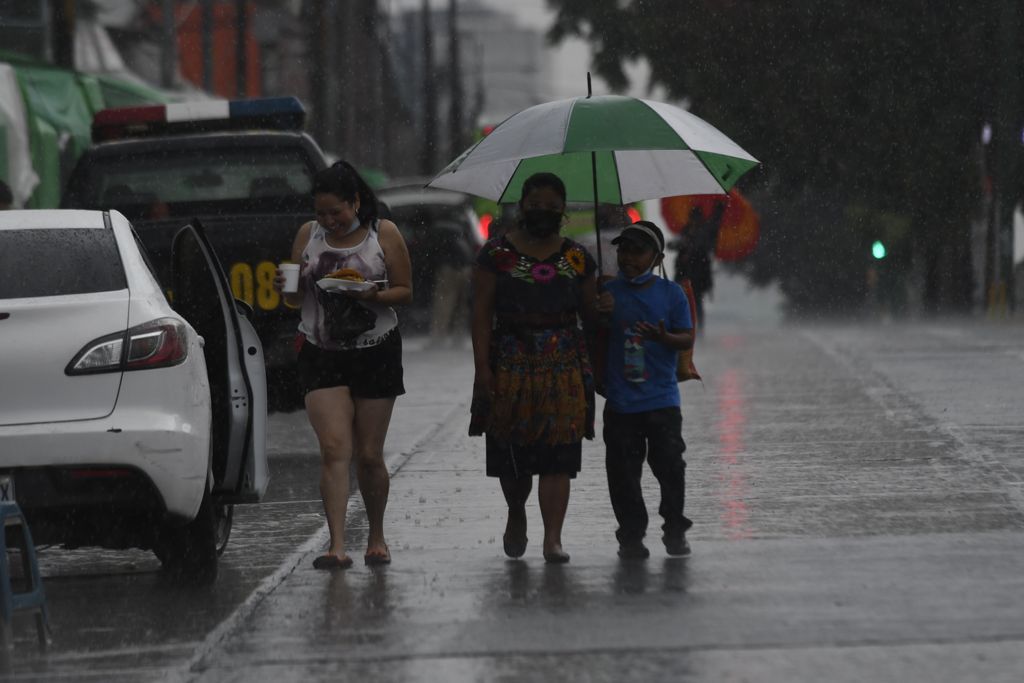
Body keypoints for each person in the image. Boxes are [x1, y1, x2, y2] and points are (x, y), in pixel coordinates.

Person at [273, 161, 413, 570]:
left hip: (376, 349)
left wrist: (371, 294)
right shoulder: (307, 235)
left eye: (336, 212)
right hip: (321, 350)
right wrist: (289, 289)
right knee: (335, 449)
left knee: (368, 455)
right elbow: (294, 302)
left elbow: (405, 291)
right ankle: (336, 545)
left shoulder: (382, 233)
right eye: (321, 213)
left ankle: (376, 536)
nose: (328, 221)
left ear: (355, 201)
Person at [470, 172, 600, 564]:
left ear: (563, 211)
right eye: (535, 204)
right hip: (510, 359)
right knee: (514, 452)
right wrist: (482, 369)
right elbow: (480, 314)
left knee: (559, 453)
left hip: (564, 365)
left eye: (551, 206)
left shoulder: (579, 258)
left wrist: (604, 303)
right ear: (522, 205)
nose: (542, 212)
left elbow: (591, 316)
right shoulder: (495, 256)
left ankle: (553, 539)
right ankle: (515, 511)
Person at [596, 220, 695, 559]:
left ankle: (674, 529)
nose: (627, 258)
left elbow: (687, 337)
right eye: (623, 250)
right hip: (621, 404)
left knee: (670, 467)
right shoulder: (607, 293)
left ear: (656, 258)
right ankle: (631, 535)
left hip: (662, 400)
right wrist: (599, 312)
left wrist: (664, 338)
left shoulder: (672, 294)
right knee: (623, 475)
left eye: (637, 251)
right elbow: (592, 335)